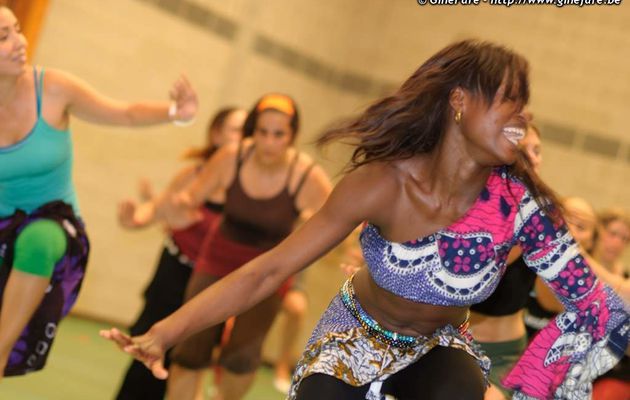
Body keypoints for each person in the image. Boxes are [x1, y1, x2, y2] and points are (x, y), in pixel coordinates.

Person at [102, 40, 630, 400]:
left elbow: (591, 300)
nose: (523, 119)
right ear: (460, 103)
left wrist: (534, 383)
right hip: (355, 337)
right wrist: (165, 331)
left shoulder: (519, 205)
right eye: (510, 103)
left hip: (438, 348)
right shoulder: (383, 184)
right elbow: (267, 271)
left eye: (527, 107)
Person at [0, 6, 198, 379]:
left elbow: (124, 113)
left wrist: (178, 111)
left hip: (52, 221)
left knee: (37, 242)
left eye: (16, 30)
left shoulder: (52, 89)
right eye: (3, 38)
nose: (19, 43)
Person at [128, 93, 331, 400]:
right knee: (190, 350)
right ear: (253, 131)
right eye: (262, 132)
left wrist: (357, 249)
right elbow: (191, 200)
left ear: (292, 136)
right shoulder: (231, 158)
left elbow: (339, 220)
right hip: (217, 261)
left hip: (268, 273)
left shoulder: (305, 175)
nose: (269, 142)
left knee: (241, 358)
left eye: (278, 135)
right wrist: (168, 205)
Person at [114, 107, 246, 399]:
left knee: (188, 362)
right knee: (146, 354)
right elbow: (159, 207)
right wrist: (136, 218)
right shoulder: (194, 176)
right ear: (216, 134)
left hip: (213, 283)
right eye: (236, 130)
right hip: (175, 273)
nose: (243, 138)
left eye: (247, 131)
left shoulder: (249, 190)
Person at [468, 123, 544, 400]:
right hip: (453, 343)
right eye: (525, 152)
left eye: (537, 151)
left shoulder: (539, 212)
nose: (534, 159)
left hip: (507, 353)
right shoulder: (472, 204)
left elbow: (551, 302)